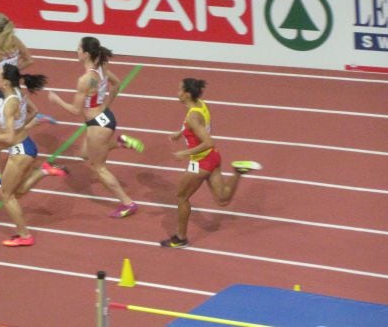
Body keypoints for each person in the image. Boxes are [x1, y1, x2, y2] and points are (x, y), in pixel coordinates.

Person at [156, 78, 261, 248]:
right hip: (213, 158)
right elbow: (198, 127)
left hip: (200, 162)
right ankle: (237, 172)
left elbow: (208, 141)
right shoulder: (200, 105)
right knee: (223, 200)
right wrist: (180, 133)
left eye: (179, 90)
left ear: (187, 94)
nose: (177, 93)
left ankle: (180, 238)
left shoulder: (192, 117)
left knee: (181, 197)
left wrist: (185, 152)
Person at [47, 36, 144, 218]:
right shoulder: (102, 68)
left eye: (78, 49)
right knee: (85, 154)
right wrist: (107, 105)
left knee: (98, 167)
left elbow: (76, 110)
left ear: (85, 54)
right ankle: (121, 142)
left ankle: (127, 203)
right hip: (105, 119)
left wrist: (56, 100)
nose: (76, 51)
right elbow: (117, 84)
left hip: (98, 125)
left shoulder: (85, 79)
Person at [0, 12, 57, 185]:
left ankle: (18, 163)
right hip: (13, 87)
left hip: (1, 92)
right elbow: (29, 60)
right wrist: (13, 72)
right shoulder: (13, 41)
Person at [0, 64, 53, 247]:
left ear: (4, 82)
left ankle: (24, 235)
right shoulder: (18, 95)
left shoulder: (9, 104)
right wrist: (23, 126)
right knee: (16, 192)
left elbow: (9, 137)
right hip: (25, 147)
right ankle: (42, 171)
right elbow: (33, 112)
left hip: (21, 150)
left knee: (5, 194)